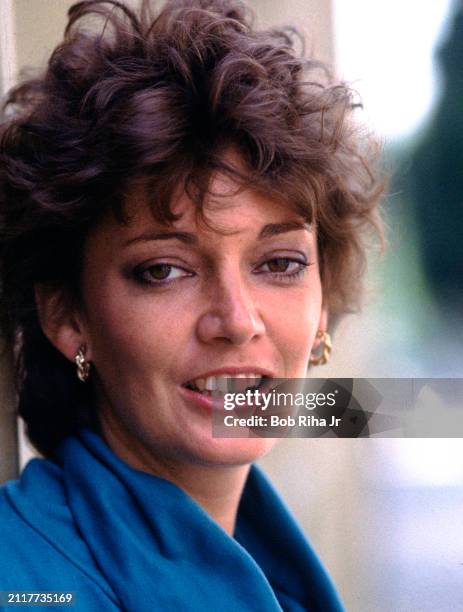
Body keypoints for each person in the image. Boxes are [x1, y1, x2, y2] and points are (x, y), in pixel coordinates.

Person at [0, 0, 383, 610]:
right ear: (69, 317)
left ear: (320, 304)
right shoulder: (21, 581)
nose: (236, 320)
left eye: (279, 264)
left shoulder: (281, 574)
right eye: (164, 270)